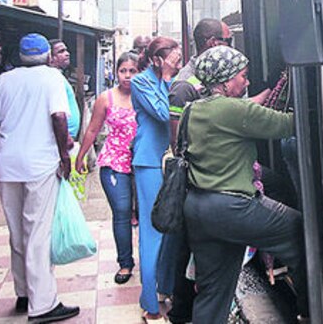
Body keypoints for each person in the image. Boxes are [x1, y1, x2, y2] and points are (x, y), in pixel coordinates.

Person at [181, 46, 308, 323]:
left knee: (213, 290)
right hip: (234, 208)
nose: (247, 82)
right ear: (226, 82)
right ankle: (308, 310)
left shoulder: (194, 109)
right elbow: (288, 124)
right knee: (299, 231)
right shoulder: (234, 111)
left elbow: (249, 111)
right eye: (243, 76)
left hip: (198, 208)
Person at [0, 33, 79, 323]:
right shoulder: (51, 78)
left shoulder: (5, 80)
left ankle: (24, 293)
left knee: (17, 231)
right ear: (47, 56)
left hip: (7, 164)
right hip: (39, 164)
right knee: (37, 232)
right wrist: (64, 157)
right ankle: (43, 305)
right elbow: (59, 118)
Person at [161, 18, 232, 323]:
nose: (231, 47)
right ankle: (182, 312)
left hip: (211, 178)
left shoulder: (212, 75)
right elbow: (178, 143)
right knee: (188, 248)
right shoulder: (185, 85)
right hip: (196, 181)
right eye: (228, 41)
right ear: (213, 44)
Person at [75, 52, 139, 285]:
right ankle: (125, 263)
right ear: (117, 73)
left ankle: (150, 259)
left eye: (133, 71)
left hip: (142, 163)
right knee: (122, 211)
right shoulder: (106, 98)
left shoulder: (145, 96)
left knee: (145, 215)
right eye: (123, 71)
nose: (128, 76)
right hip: (114, 162)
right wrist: (80, 156)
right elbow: (92, 130)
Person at [130, 36, 182, 322]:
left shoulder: (173, 81)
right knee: (153, 232)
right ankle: (150, 302)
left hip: (169, 162)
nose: (177, 63)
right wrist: (164, 79)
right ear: (157, 59)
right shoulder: (141, 82)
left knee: (171, 229)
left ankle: (165, 289)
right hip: (149, 161)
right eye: (173, 58)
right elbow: (164, 113)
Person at [49, 39, 81, 141]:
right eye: (61, 52)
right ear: (51, 58)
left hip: (66, 136)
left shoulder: (58, 76)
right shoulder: (53, 77)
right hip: (63, 137)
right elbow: (56, 112)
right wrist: (65, 137)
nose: (67, 54)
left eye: (66, 50)